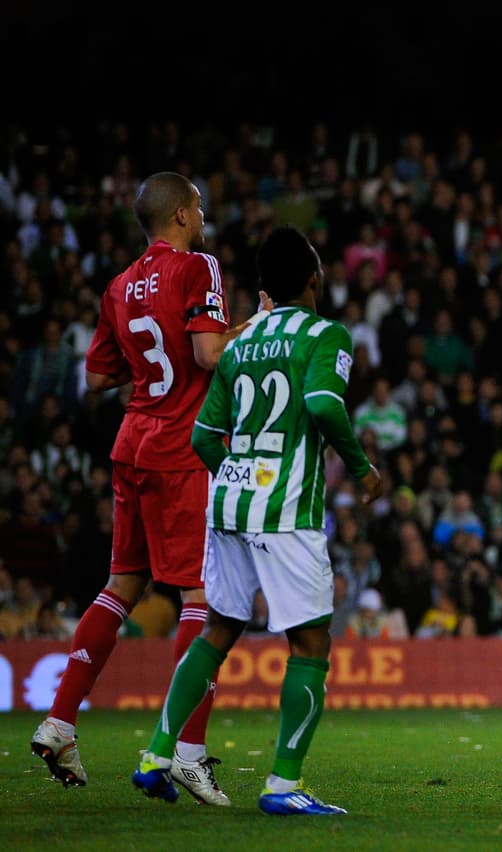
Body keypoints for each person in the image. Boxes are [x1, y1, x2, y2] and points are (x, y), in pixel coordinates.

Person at [132, 224, 382, 815]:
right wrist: (362, 468)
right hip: (286, 509)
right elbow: (323, 403)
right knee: (310, 640)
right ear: (314, 279)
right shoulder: (327, 334)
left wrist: (238, 474)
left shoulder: (239, 343)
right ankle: (283, 785)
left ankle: (156, 754)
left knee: (218, 629)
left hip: (229, 504)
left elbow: (203, 437)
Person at [31, 172, 248, 804]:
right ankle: (187, 751)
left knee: (121, 586)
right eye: (198, 207)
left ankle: (59, 722)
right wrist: (258, 324)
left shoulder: (119, 284)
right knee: (203, 597)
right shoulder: (199, 267)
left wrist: (152, 367)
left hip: (132, 446)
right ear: (180, 214)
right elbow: (209, 355)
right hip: (181, 451)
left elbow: (98, 378)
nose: (202, 217)